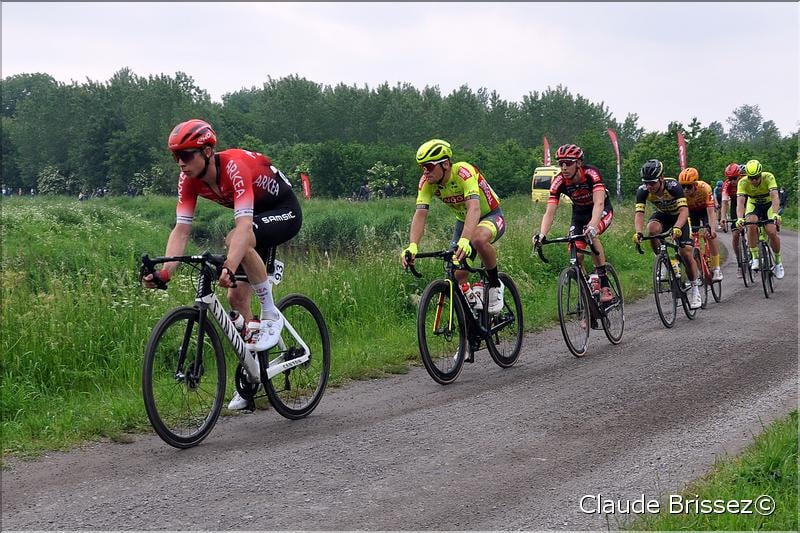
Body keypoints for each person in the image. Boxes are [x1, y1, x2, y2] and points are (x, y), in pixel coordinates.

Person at [141, 119, 303, 409]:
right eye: (175, 156)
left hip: (282, 210)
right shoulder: (188, 180)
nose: (180, 162)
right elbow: (181, 230)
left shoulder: (233, 167)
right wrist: (165, 272)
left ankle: (270, 313)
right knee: (236, 296)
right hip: (254, 218)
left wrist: (229, 265)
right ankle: (252, 378)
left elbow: (242, 227)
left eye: (186, 154)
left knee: (238, 240)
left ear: (206, 151)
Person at [400, 139, 506, 314]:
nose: (425, 171)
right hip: (464, 221)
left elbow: (474, 207)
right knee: (456, 274)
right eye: (422, 167)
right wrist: (413, 246)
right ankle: (474, 314)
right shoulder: (427, 182)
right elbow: (420, 214)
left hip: (490, 215)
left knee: (478, 239)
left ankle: (495, 283)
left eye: (429, 166)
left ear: (446, 164)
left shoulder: (464, 172)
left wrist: (465, 240)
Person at [532, 143, 615, 303]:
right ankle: (588, 290)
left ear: (578, 163)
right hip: (579, 214)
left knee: (592, 234)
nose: (564, 167)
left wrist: (592, 226)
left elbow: (598, 203)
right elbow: (549, 212)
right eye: (560, 163)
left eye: (568, 163)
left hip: (601, 210)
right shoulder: (558, 182)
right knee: (575, 253)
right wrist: (542, 234)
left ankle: (604, 285)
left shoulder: (592, 174)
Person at [632, 159, 702, 310]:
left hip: (679, 217)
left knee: (685, 253)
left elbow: (684, 211)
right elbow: (639, 213)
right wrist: (638, 231)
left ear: (661, 179)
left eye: (652, 183)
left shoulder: (674, 186)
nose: (649, 186)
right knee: (652, 230)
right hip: (663, 215)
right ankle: (663, 260)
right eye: (646, 183)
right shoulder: (643, 191)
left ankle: (695, 288)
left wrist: (677, 227)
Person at [736, 159, 784, 279]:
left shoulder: (768, 177)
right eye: (751, 178)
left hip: (768, 205)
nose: (754, 180)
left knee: (772, 232)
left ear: (760, 174)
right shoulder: (742, 182)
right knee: (751, 224)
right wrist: (739, 218)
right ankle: (755, 257)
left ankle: (778, 262)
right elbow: (741, 203)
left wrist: (775, 214)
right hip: (754, 205)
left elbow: (774, 197)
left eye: (756, 177)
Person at [678, 167, 723, 281]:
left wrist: (712, 228)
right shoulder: (680, 193)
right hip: (691, 213)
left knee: (710, 235)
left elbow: (711, 212)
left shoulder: (705, 188)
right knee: (692, 242)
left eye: (689, 186)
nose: (685, 189)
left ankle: (716, 268)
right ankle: (697, 270)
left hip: (705, 211)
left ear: (695, 185)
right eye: (683, 186)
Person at [719, 163, 745, 276]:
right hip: (735, 203)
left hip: (747, 201)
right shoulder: (727, 184)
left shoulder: (745, 180)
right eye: (730, 179)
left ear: (739, 175)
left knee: (751, 224)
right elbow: (724, 202)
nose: (733, 181)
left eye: (734, 178)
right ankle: (740, 263)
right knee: (735, 235)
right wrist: (723, 217)